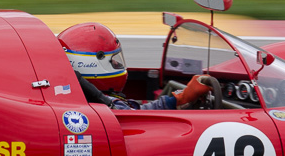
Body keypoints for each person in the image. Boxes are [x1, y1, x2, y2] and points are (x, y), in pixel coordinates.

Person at [58, 22, 212, 110]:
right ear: (90, 64)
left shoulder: (81, 98)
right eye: (113, 60)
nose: (117, 64)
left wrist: (179, 98)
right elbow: (139, 115)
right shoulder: (110, 107)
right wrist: (179, 99)